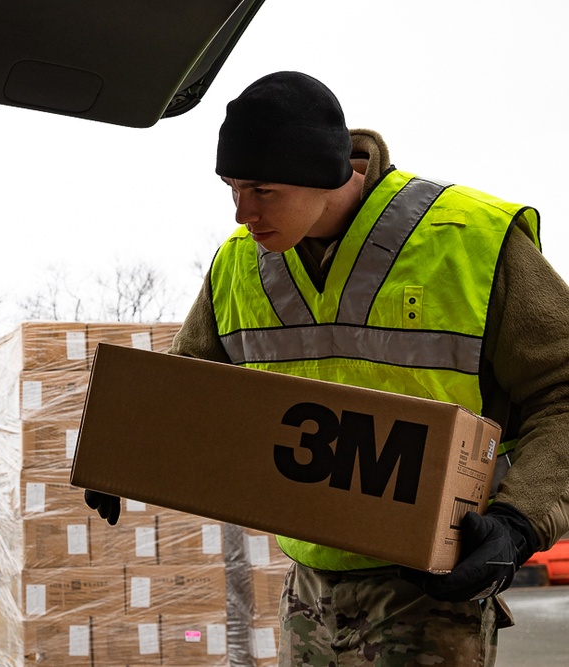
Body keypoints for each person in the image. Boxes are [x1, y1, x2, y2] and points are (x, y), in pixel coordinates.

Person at [85, 70, 569, 665]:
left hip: (431, 588)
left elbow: (563, 389)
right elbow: (189, 390)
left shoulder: (470, 241)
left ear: (322, 175)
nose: (242, 213)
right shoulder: (240, 267)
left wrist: (520, 523)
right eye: (232, 187)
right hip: (309, 589)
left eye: (262, 191)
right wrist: (127, 448)